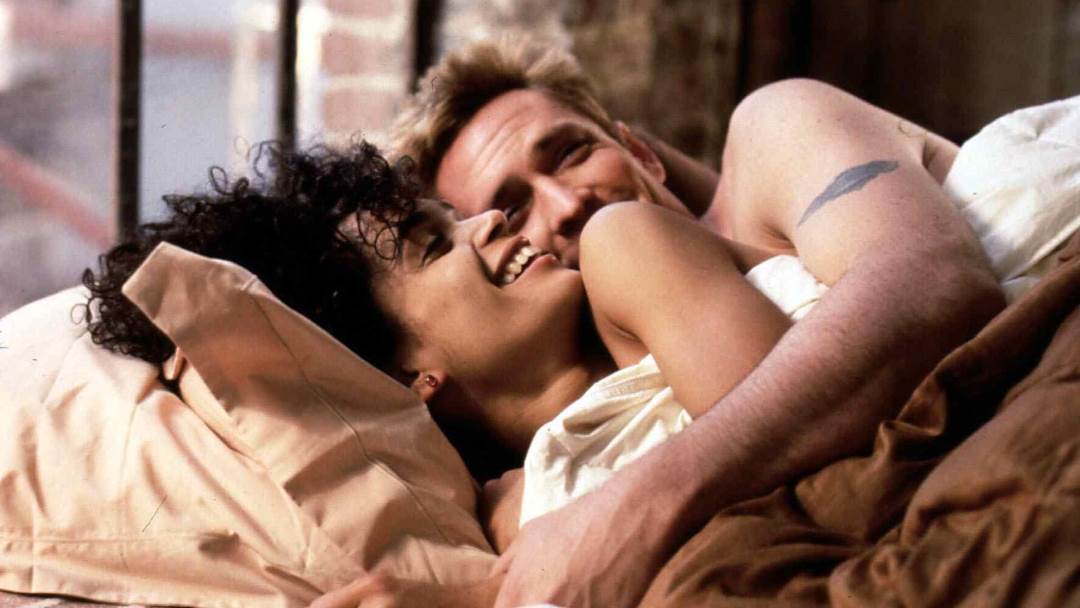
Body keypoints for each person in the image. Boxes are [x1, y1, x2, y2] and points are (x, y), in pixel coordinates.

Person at [390, 37, 1006, 606]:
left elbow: (936, 278)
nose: (568, 204)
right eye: (512, 209)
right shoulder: (592, 420)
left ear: (640, 153)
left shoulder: (773, 130)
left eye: (572, 154)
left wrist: (636, 508)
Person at [83, 139, 801, 607]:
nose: (489, 221)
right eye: (434, 244)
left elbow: (802, 449)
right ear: (408, 377)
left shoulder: (626, 244)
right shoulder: (511, 514)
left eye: (453, 217)